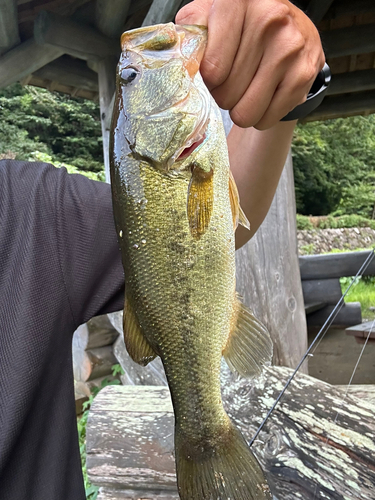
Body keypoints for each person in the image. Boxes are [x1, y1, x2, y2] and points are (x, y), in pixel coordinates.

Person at [0, 1, 325, 498]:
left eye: (128, 78)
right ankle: (202, 431)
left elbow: (231, 227)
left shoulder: (29, 207)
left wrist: (282, 90)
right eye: (130, 77)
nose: (134, 67)